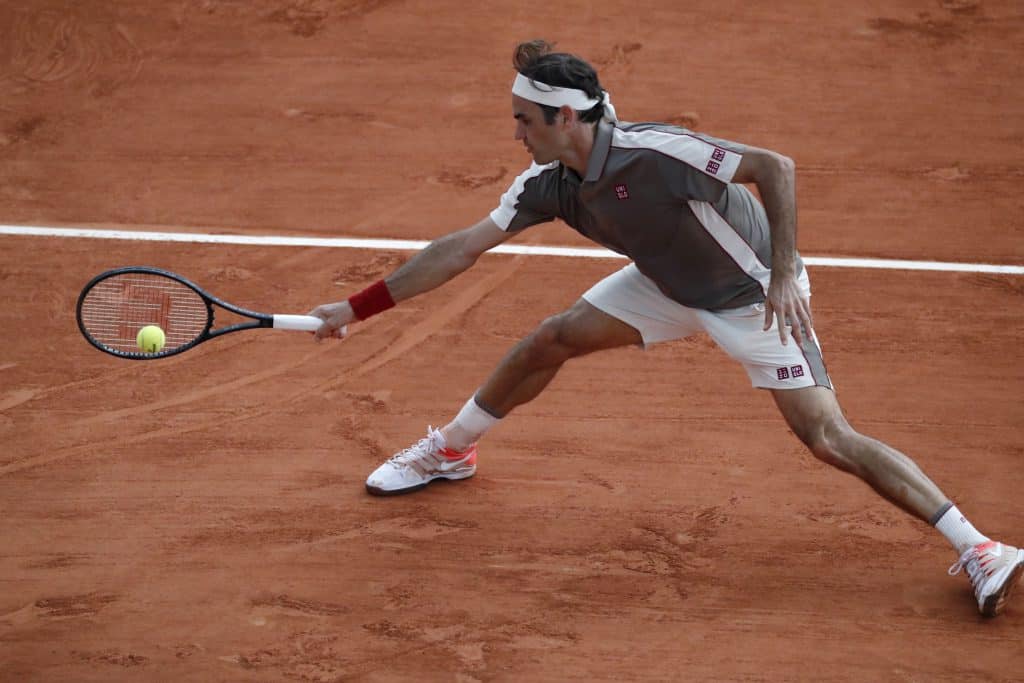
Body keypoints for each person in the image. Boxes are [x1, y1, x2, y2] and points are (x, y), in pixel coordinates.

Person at [308, 39, 1022, 617]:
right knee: (551, 340)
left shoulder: (657, 152)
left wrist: (783, 271)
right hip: (663, 282)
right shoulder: (545, 185)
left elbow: (773, 167)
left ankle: (980, 547)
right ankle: (451, 450)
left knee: (827, 436)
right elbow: (460, 249)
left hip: (753, 297)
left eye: (525, 120)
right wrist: (356, 307)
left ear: (565, 118)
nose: (515, 132)